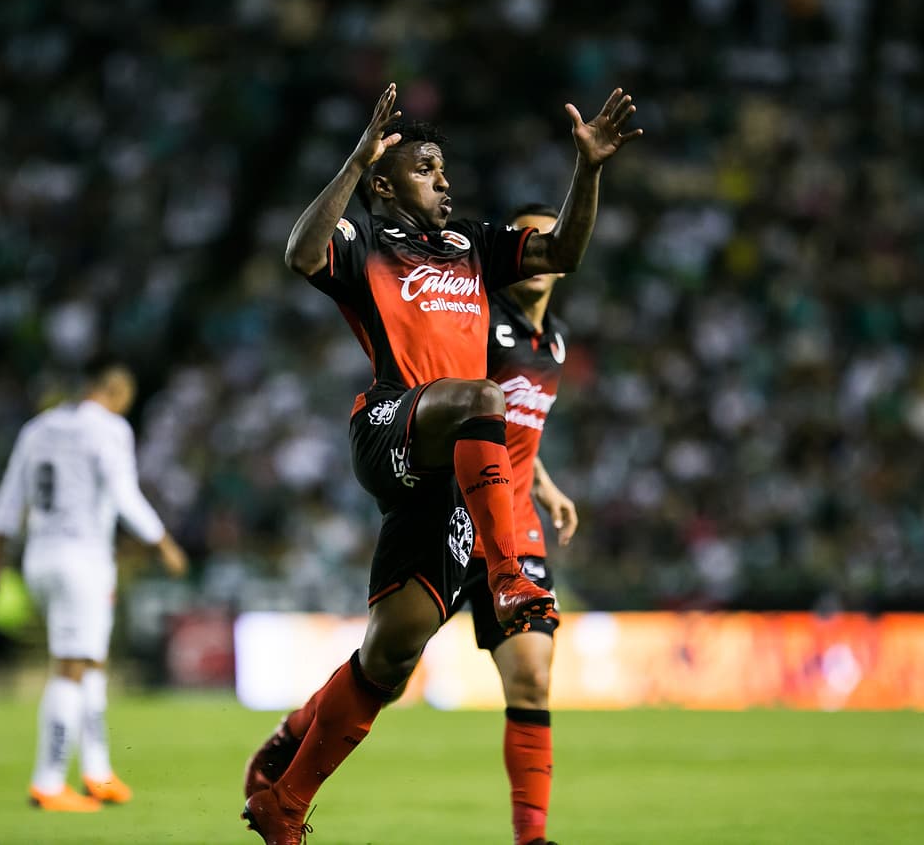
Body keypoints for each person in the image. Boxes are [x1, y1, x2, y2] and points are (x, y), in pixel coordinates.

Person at [241, 83, 640, 844]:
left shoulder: (473, 247)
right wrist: (357, 162)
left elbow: (566, 252)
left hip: (452, 481)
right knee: (480, 395)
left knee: (390, 656)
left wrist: (587, 169)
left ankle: (283, 797)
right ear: (387, 184)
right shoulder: (365, 242)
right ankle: (505, 572)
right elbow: (299, 254)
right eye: (428, 169)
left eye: (446, 169)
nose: (445, 180)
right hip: (393, 425)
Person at [0, 359, 188, 813]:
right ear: (114, 391)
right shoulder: (108, 430)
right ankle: (49, 781)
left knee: (90, 664)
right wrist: (164, 543)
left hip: (40, 559)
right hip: (82, 561)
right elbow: (124, 493)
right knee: (72, 667)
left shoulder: (37, 429)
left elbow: (7, 502)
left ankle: (97, 772)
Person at [444, 203, 578, 845]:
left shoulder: (555, 339)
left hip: (518, 523)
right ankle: (286, 762)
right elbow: (467, 413)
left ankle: (532, 838)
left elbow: (520, 424)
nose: (534, 247)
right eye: (525, 237)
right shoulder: (479, 322)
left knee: (532, 674)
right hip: (454, 517)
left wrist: (547, 487)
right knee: (385, 670)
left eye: (545, 237)